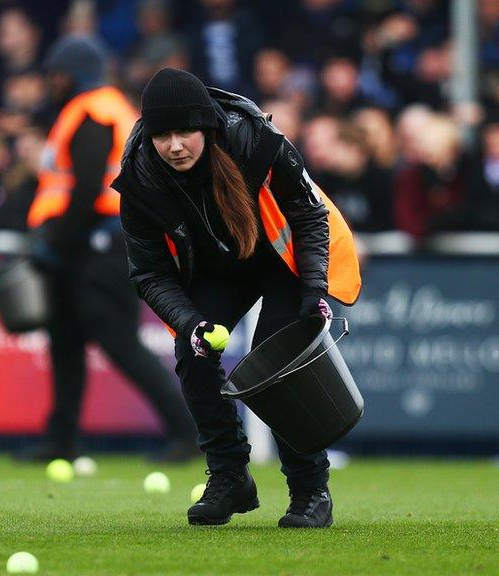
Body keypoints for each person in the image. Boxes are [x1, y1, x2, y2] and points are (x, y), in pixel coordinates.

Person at [112, 68, 361, 528]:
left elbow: (310, 216)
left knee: (281, 365)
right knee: (193, 354)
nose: (175, 145)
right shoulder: (140, 179)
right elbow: (149, 274)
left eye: (184, 131)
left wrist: (312, 290)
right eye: (162, 135)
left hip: (282, 257)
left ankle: (310, 492)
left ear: (206, 127)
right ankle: (230, 478)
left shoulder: (255, 139)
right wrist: (191, 324)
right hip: (222, 268)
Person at [22, 38, 196, 463]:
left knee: (120, 343)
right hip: (86, 244)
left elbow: (84, 189)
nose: (52, 82)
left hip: (96, 246)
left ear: (73, 73)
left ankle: (189, 433)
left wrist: (53, 242)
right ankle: (61, 439)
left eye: (57, 73)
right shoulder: (106, 107)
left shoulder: (93, 112)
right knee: (64, 341)